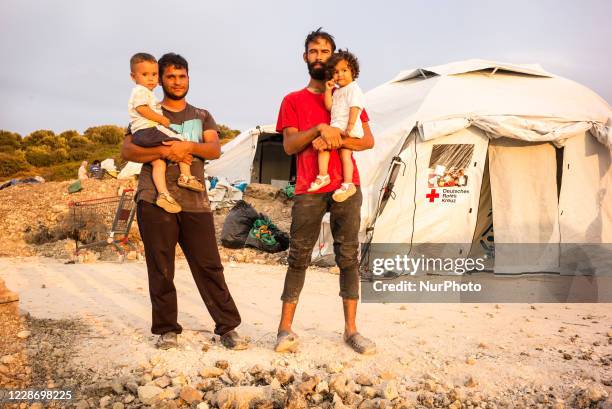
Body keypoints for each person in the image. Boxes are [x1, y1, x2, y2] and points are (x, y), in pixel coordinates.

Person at [121, 53, 247, 351]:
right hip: (154, 199)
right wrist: (166, 152)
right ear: (160, 80)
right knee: (161, 267)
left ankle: (227, 327)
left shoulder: (201, 115)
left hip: (195, 201)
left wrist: (187, 146)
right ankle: (167, 330)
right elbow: (128, 151)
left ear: (188, 78)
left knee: (209, 266)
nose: (177, 82)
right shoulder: (146, 111)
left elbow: (214, 149)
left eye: (182, 76)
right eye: (170, 77)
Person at [275, 28, 376, 355]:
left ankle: (351, 330)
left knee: (348, 257)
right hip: (309, 186)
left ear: (334, 58)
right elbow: (290, 145)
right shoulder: (293, 100)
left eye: (324, 52)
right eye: (313, 51)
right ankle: (284, 329)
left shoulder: (351, 94)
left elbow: (367, 140)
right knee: (299, 256)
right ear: (305, 57)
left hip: (347, 185)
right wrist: (319, 129)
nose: (319, 57)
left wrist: (336, 139)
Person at [128, 53, 204, 214]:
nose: (150, 79)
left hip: (143, 133)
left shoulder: (203, 114)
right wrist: (161, 120)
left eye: (153, 74)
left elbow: (215, 150)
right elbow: (141, 109)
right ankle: (185, 175)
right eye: (145, 74)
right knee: (179, 139)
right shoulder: (140, 91)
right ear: (133, 77)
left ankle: (163, 194)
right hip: (148, 129)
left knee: (158, 163)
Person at [308, 49, 365, 203]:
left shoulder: (354, 88)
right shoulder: (338, 91)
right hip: (338, 125)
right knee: (345, 155)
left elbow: (355, 107)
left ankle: (323, 175)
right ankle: (347, 184)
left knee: (323, 143)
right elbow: (329, 107)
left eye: (344, 70)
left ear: (353, 71)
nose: (340, 74)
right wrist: (328, 90)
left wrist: (350, 126)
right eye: (336, 72)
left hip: (346, 126)